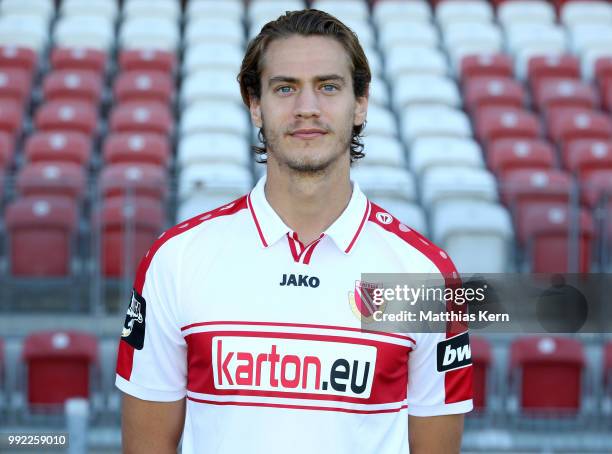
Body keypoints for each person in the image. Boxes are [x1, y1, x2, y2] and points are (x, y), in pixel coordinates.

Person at [116, 9, 473, 454]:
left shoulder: (424, 277)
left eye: (328, 86)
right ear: (255, 104)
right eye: (285, 88)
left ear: (360, 103)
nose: (307, 107)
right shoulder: (176, 260)